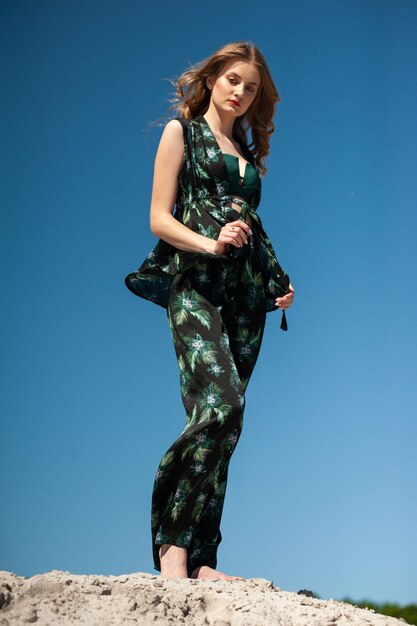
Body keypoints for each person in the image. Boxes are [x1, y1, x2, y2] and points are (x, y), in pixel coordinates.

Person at [125, 41, 295, 580]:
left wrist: (277, 281)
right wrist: (208, 243)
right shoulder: (182, 132)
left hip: (247, 298)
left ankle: (202, 559)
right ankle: (171, 545)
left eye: (252, 87)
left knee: (229, 423)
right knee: (219, 404)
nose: (241, 92)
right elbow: (158, 217)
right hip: (195, 284)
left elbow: (252, 227)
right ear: (213, 77)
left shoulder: (247, 158)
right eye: (234, 80)